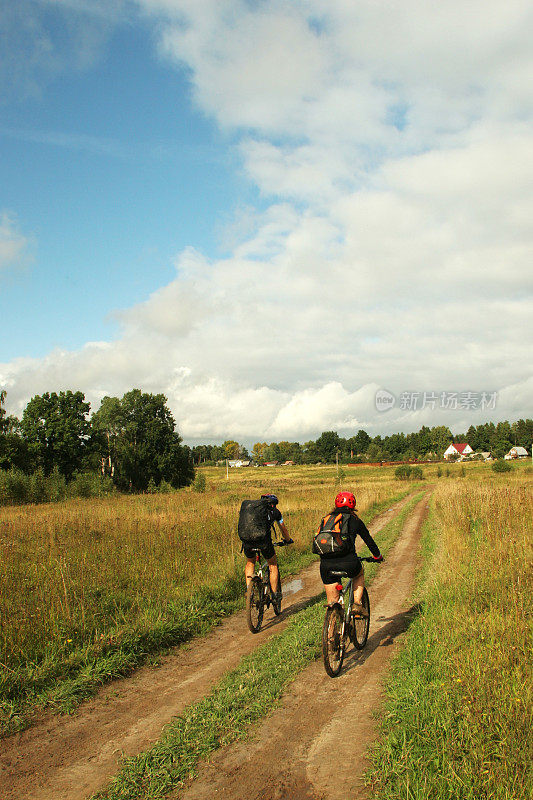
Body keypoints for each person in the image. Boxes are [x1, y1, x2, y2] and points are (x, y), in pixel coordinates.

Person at [319, 491, 383, 617]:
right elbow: (369, 541)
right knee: (359, 573)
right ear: (353, 505)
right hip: (349, 562)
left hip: (325, 564)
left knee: (332, 602)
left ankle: (330, 633)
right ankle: (357, 605)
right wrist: (377, 556)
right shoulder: (355, 520)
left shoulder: (327, 519)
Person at [243, 493, 293, 601]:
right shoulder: (275, 512)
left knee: (250, 562)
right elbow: (283, 529)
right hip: (264, 542)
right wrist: (288, 540)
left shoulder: (252, 511)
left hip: (247, 541)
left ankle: (249, 591)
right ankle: (274, 595)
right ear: (274, 504)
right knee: (272, 565)